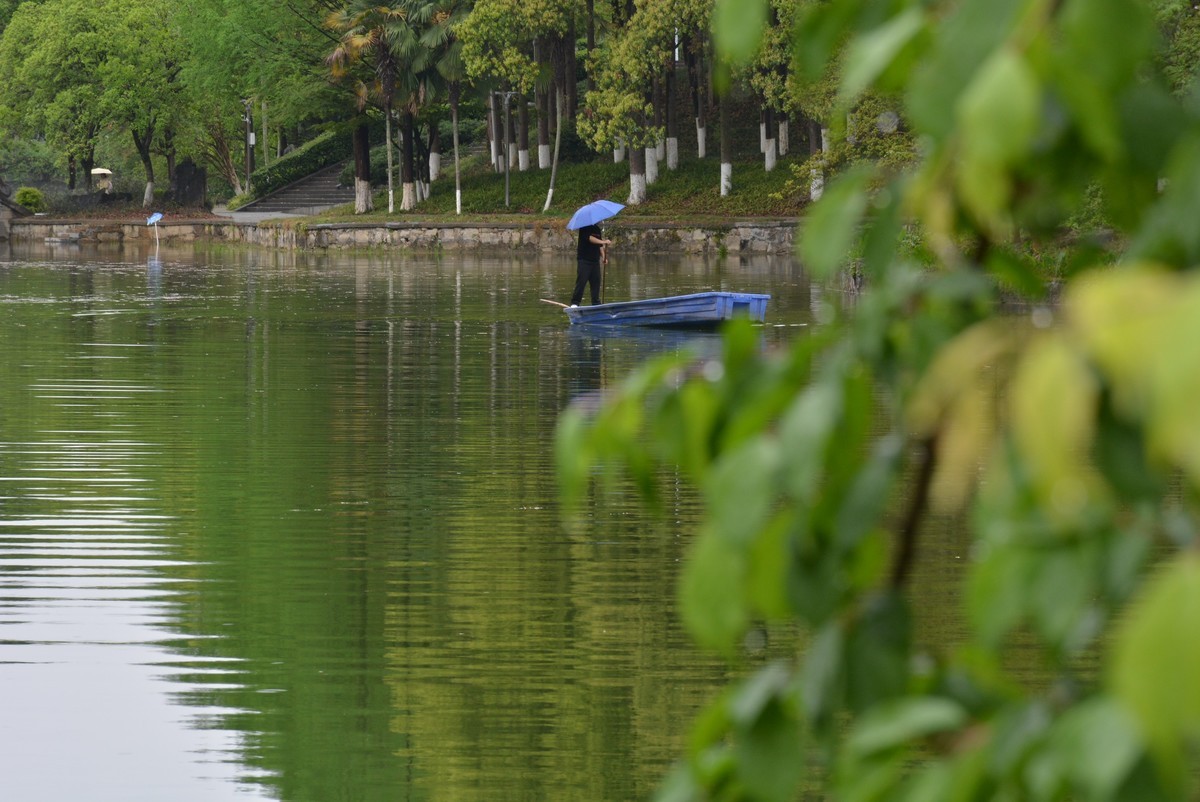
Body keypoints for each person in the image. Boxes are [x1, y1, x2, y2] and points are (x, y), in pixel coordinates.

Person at [570, 223, 613, 306]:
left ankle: (596, 303)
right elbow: (590, 238)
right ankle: (575, 303)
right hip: (584, 260)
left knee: (596, 283)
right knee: (581, 282)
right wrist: (603, 241)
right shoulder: (584, 227)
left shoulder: (597, 229)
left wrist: (604, 257)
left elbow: (600, 246)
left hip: (595, 261)